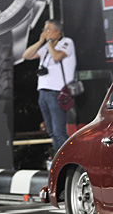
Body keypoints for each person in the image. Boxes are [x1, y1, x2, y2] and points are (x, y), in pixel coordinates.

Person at [23, 19, 77, 154]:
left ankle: (66, 159)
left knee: (59, 131)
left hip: (57, 92)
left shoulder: (66, 42)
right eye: (44, 29)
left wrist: (49, 43)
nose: (44, 32)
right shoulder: (46, 47)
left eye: (48, 29)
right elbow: (26, 55)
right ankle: (57, 159)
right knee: (51, 131)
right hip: (43, 92)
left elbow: (57, 57)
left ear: (57, 32)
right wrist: (41, 41)